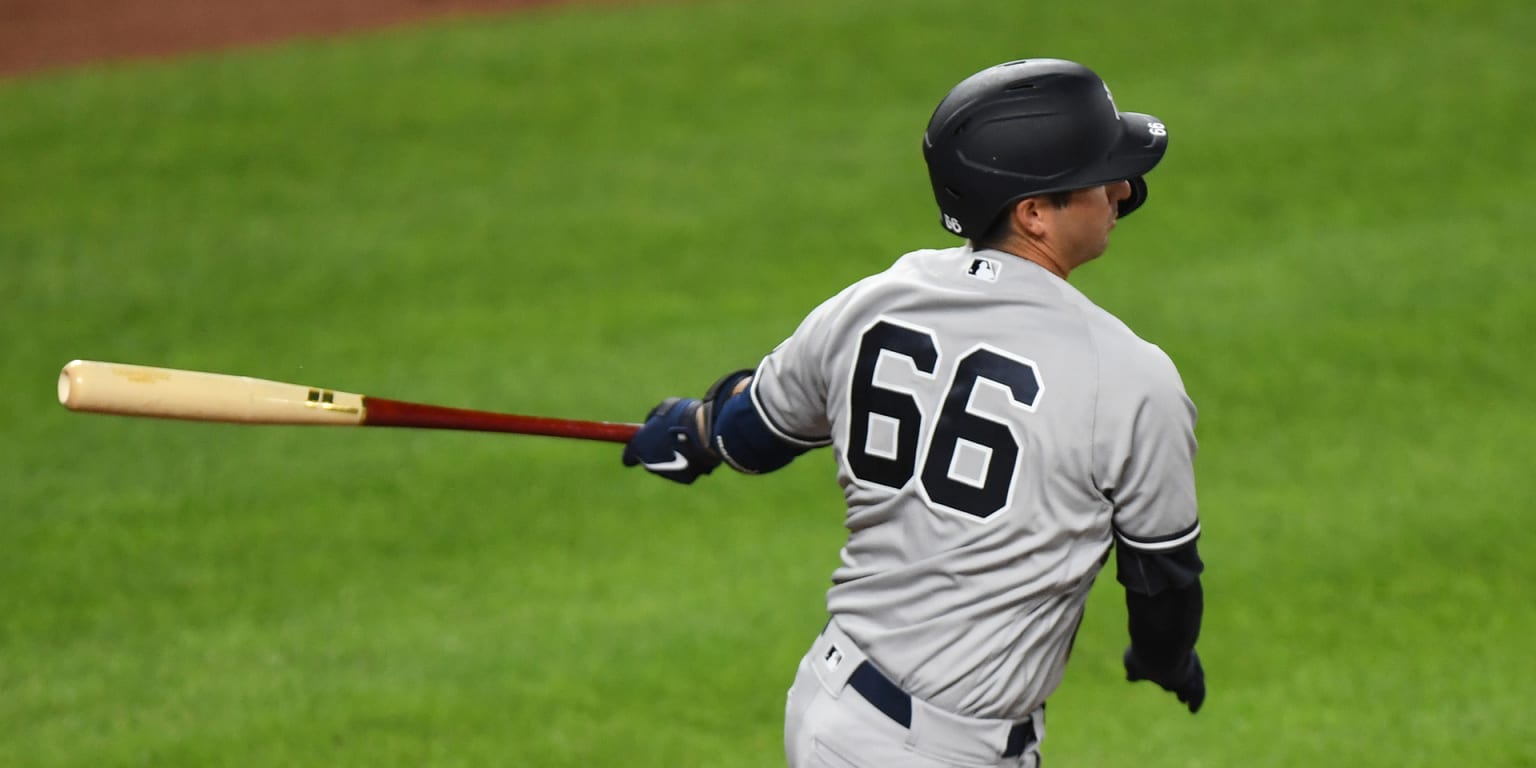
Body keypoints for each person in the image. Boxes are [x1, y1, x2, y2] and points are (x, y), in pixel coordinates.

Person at [622, 58, 1205, 767]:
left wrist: (693, 429)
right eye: (1101, 174)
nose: (1123, 187)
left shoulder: (874, 301)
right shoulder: (1130, 376)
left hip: (834, 707)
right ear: (1031, 213)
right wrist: (1165, 658)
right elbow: (1162, 579)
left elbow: (754, 430)